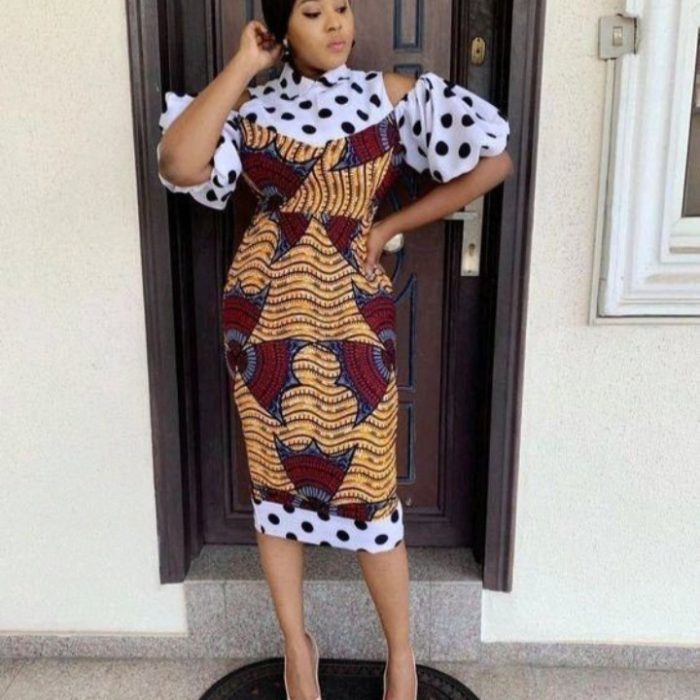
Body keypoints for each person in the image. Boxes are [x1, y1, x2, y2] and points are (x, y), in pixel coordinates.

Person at [157, 1, 513, 697]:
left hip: (355, 313)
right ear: (280, 28)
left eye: (342, 6)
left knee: (371, 489)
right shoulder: (252, 108)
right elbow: (180, 160)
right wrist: (245, 64)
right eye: (313, 11)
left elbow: (494, 161)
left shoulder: (392, 96)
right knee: (274, 485)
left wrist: (387, 228)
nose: (336, 24)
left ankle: (401, 656)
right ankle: (297, 649)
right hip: (262, 314)